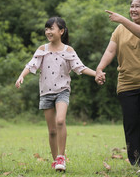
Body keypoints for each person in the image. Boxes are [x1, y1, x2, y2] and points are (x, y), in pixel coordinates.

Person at [15, 17, 96, 172]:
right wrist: (22, 76)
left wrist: (96, 73)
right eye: (46, 29)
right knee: (52, 130)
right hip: (45, 93)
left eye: (51, 28)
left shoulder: (68, 50)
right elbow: (32, 64)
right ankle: (55, 162)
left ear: (61, 31)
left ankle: (61, 157)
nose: (48, 32)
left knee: (60, 121)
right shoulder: (42, 49)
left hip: (62, 91)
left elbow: (80, 67)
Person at [95, 0, 140, 166]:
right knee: (132, 124)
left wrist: (122, 20)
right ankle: (136, 162)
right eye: (131, 6)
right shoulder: (119, 30)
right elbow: (111, 51)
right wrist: (99, 68)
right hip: (127, 84)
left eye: (137, 6)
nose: (133, 9)